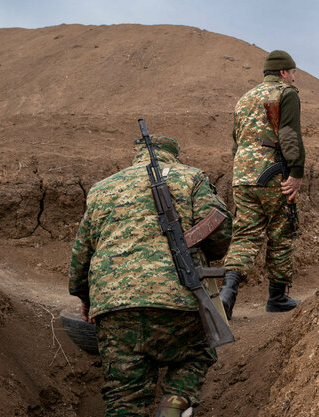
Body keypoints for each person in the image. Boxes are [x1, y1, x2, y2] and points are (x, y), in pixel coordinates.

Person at [68, 135, 232, 417]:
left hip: (116, 308)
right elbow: (219, 235)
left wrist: (86, 299)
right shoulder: (192, 178)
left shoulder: (101, 189)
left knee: (123, 397)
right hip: (181, 302)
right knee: (194, 356)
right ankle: (175, 404)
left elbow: (80, 258)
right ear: (174, 155)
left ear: (137, 154)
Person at [219, 50, 305, 319]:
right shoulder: (285, 93)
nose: (293, 77)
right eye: (292, 72)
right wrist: (296, 172)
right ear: (282, 72)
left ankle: (226, 295)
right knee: (281, 230)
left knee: (244, 235)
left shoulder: (244, 99)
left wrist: (245, 172)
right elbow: (289, 135)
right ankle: (277, 298)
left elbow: (236, 144)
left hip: (243, 178)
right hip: (272, 175)